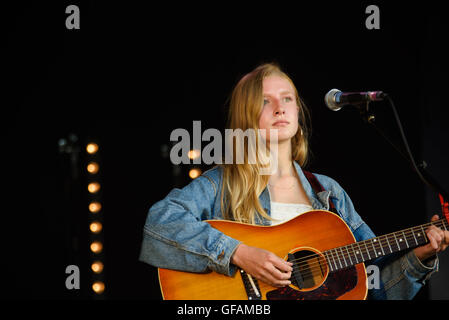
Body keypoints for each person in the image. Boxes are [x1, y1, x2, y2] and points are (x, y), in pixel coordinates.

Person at [139, 63, 448, 299]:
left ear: (298, 114)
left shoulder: (328, 192)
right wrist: (237, 253)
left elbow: (373, 287)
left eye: (287, 98)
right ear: (246, 117)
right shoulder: (222, 183)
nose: (279, 107)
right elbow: (159, 224)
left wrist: (419, 258)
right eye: (265, 101)